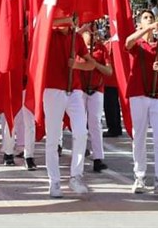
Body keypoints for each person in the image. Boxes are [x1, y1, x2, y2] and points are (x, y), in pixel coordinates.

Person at [43, 17, 96, 198]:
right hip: (53, 90)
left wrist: (78, 65)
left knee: (81, 132)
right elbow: (43, 21)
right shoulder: (50, 34)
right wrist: (65, 20)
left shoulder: (77, 38)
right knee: (53, 137)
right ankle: (54, 180)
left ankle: (76, 176)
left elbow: (91, 64)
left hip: (74, 91)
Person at [125, 10, 158, 194]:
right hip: (138, 93)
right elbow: (127, 43)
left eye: (152, 18)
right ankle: (140, 176)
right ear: (140, 24)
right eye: (145, 18)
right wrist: (147, 30)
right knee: (139, 136)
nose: (150, 20)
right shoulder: (139, 44)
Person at [79, 22, 113, 172]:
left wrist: (95, 65)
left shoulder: (102, 48)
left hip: (96, 90)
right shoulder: (77, 46)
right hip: (79, 90)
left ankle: (98, 157)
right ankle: (78, 154)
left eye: (93, 31)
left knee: (95, 123)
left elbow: (108, 71)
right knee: (79, 125)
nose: (91, 34)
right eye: (88, 31)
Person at [103, 39, 123, 137]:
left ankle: (114, 128)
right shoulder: (111, 43)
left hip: (110, 80)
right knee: (114, 106)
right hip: (113, 79)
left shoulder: (110, 44)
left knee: (110, 106)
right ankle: (116, 128)